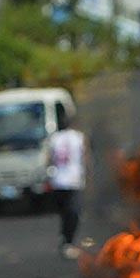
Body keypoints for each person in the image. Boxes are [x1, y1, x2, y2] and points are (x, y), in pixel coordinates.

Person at [48, 110, 87, 259]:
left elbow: (49, 158)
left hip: (58, 180)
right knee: (74, 212)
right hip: (73, 179)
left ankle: (65, 239)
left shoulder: (54, 138)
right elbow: (85, 157)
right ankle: (68, 242)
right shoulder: (79, 137)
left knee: (65, 213)